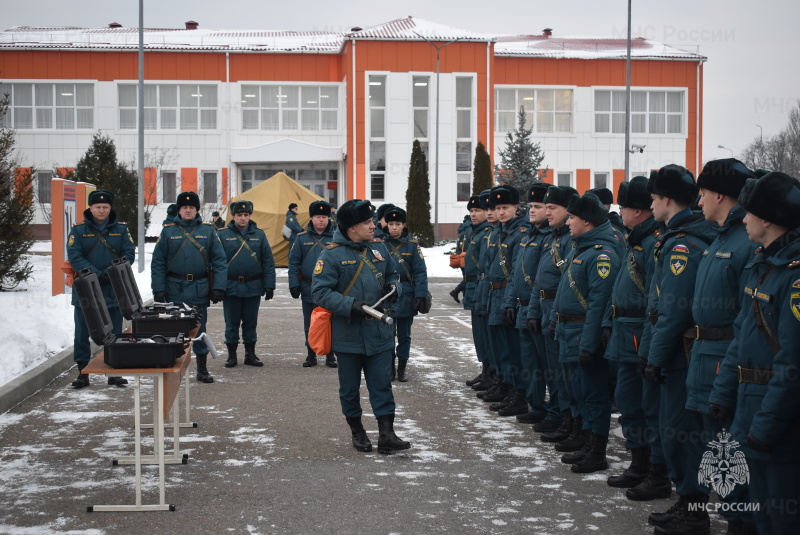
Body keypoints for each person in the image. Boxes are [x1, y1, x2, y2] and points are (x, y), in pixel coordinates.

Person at [709, 172, 800, 535]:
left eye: (749, 212)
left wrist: (765, 427)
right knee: (755, 512)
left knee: (779, 519)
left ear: (767, 219)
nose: (742, 218)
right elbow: (741, 337)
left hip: (777, 421)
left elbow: (793, 364)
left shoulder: (793, 279)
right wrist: (722, 392)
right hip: (748, 408)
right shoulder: (762, 266)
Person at [642, 165, 717, 531]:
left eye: (654, 199)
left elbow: (672, 310)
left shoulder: (684, 243)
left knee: (679, 432)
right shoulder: (676, 235)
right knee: (675, 431)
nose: (651, 206)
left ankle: (693, 509)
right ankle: (687, 501)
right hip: (679, 349)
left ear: (667, 200)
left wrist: (654, 358)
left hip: (680, 353)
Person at [311, 198, 410, 455]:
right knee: (349, 388)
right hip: (348, 333)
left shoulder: (379, 249)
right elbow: (320, 292)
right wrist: (350, 305)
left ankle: (387, 434)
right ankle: (357, 431)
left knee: (381, 384)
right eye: (367, 222)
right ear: (351, 228)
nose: (374, 225)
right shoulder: (331, 255)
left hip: (379, 332)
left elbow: (394, 274)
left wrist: (394, 287)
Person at [551, 193, 620, 472]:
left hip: (583, 333)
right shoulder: (581, 248)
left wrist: (589, 344)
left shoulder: (602, 255)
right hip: (570, 331)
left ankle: (597, 450)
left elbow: (598, 304)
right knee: (581, 393)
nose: (568, 222)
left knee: (594, 395)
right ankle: (587, 442)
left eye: (572, 217)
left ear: (588, 222)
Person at [604, 177, 662, 491]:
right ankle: (638, 463)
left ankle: (655, 470)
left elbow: (657, 298)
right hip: (626, 335)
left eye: (623, 206)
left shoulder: (653, 242)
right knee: (628, 401)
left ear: (638, 211)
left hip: (641, 334)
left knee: (646, 406)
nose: (620, 212)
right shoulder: (636, 239)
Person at [151, 191, 228, 383]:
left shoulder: (208, 231)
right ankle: (172, 365)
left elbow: (219, 261)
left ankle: (202, 369)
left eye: (191, 207)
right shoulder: (168, 231)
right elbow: (158, 262)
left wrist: (219, 287)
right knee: (172, 330)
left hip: (199, 288)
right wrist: (158, 289)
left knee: (200, 330)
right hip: (173, 288)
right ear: (179, 209)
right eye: (184, 207)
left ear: (196, 210)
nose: (188, 210)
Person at [67, 189, 135, 389]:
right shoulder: (78, 230)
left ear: (110, 208)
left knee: (114, 330)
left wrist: (112, 272)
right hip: (86, 289)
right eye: (98, 207)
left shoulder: (122, 230)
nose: (101, 210)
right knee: (82, 331)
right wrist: (96, 273)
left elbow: (128, 253)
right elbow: (75, 256)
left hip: (113, 287)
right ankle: (82, 372)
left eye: (105, 207)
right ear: (90, 207)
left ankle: (113, 372)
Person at [528, 185, 578, 439]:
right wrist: (533, 311)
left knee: (563, 373)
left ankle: (566, 419)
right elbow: (540, 279)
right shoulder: (554, 237)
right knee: (552, 371)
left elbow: (565, 284)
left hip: (560, 312)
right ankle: (559, 415)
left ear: (568, 209)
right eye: (545, 207)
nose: (547, 212)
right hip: (546, 308)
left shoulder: (571, 239)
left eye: (552, 208)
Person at [502, 182, 552, 423]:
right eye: (531, 206)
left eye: (538, 206)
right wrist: (509, 302)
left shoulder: (548, 238)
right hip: (523, 308)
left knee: (545, 366)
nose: (532, 210)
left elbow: (543, 279)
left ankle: (551, 411)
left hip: (538, 309)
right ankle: (537, 407)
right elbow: (516, 274)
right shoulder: (528, 236)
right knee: (529, 363)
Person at [483, 185, 529, 416]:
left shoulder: (520, 233)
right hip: (495, 294)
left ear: (516, 208)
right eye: (498, 208)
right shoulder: (499, 231)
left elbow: (518, 271)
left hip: (508, 295)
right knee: (500, 347)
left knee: (513, 349)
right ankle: (506, 385)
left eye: (505, 207)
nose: (500, 212)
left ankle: (518, 393)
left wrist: (510, 301)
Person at [217, 200, 276, 369]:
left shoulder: (259, 235)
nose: (243, 218)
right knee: (232, 323)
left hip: (253, 286)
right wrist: (219, 287)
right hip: (231, 286)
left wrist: (269, 285)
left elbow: (267, 261)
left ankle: (250, 354)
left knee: (250, 323)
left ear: (250, 216)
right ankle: (232, 355)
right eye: (239, 215)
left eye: (246, 215)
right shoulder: (222, 235)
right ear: (233, 216)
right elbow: (218, 263)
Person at [382, 207, 429, 382]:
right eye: (391, 224)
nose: (394, 227)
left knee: (404, 335)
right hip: (386, 295)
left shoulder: (412, 246)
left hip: (407, 296)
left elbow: (420, 272)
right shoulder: (379, 244)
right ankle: (390, 368)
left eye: (398, 224)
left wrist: (420, 295)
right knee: (386, 335)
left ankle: (402, 368)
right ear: (387, 225)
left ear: (403, 225)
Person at [450, 193, 492, 387]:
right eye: (472, 211)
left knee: (487, 334)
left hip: (482, 287)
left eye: (478, 210)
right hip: (472, 286)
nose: (474, 214)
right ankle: (486, 370)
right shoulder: (474, 232)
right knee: (479, 335)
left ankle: (492, 373)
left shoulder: (488, 232)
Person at [288, 200, 336, 368]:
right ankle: (311, 355)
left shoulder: (336, 237)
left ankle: (331, 355)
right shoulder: (301, 239)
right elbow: (294, 263)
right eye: (317, 217)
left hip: (331, 289)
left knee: (330, 321)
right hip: (309, 287)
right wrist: (294, 284)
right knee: (310, 323)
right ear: (311, 218)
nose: (321, 220)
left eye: (324, 217)